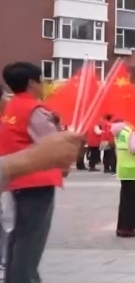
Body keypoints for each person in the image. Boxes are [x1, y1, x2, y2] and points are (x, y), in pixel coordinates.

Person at [0, 62, 64, 283]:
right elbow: (54, 145)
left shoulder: (9, 107)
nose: (43, 84)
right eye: (41, 80)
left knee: (16, 238)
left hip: (14, 179)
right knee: (30, 241)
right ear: (31, 83)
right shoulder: (34, 110)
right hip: (36, 181)